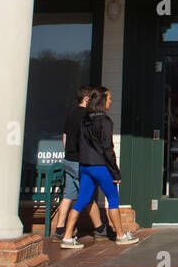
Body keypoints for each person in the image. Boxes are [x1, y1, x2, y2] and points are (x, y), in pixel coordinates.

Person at [61, 86, 137, 248]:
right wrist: (115, 172)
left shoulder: (85, 119)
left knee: (81, 200)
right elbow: (108, 149)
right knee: (113, 200)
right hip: (101, 166)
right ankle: (121, 235)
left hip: (85, 166)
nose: (111, 101)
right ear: (102, 100)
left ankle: (67, 237)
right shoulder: (105, 121)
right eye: (109, 98)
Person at [51, 86, 104, 241]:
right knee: (88, 195)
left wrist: (68, 153)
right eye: (92, 98)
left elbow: (65, 136)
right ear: (86, 99)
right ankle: (99, 228)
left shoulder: (71, 113)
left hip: (68, 159)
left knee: (68, 195)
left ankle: (59, 229)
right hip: (80, 161)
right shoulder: (87, 116)